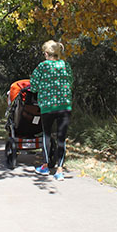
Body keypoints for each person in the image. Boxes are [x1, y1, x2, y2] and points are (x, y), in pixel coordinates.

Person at [30, 40, 73, 181]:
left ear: (47, 53)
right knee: (61, 137)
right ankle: (59, 170)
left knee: (46, 135)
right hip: (64, 106)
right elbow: (71, 82)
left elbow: (34, 86)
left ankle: (45, 165)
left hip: (48, 106)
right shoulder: (65, 65)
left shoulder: (42, 66)